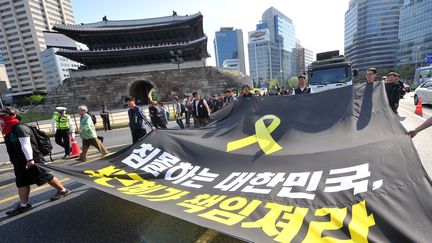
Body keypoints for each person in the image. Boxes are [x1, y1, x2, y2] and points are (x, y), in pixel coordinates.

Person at [0, 107, 71, 216]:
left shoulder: (20, 128)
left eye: (2, 116)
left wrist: (30, 159)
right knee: (21, 182)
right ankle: (24, 205)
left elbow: (26, 145)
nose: (1, 119)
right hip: (19, 161)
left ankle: (63, 190)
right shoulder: (9, 129)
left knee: (44, 176)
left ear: (12, 115)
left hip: (32, 159)